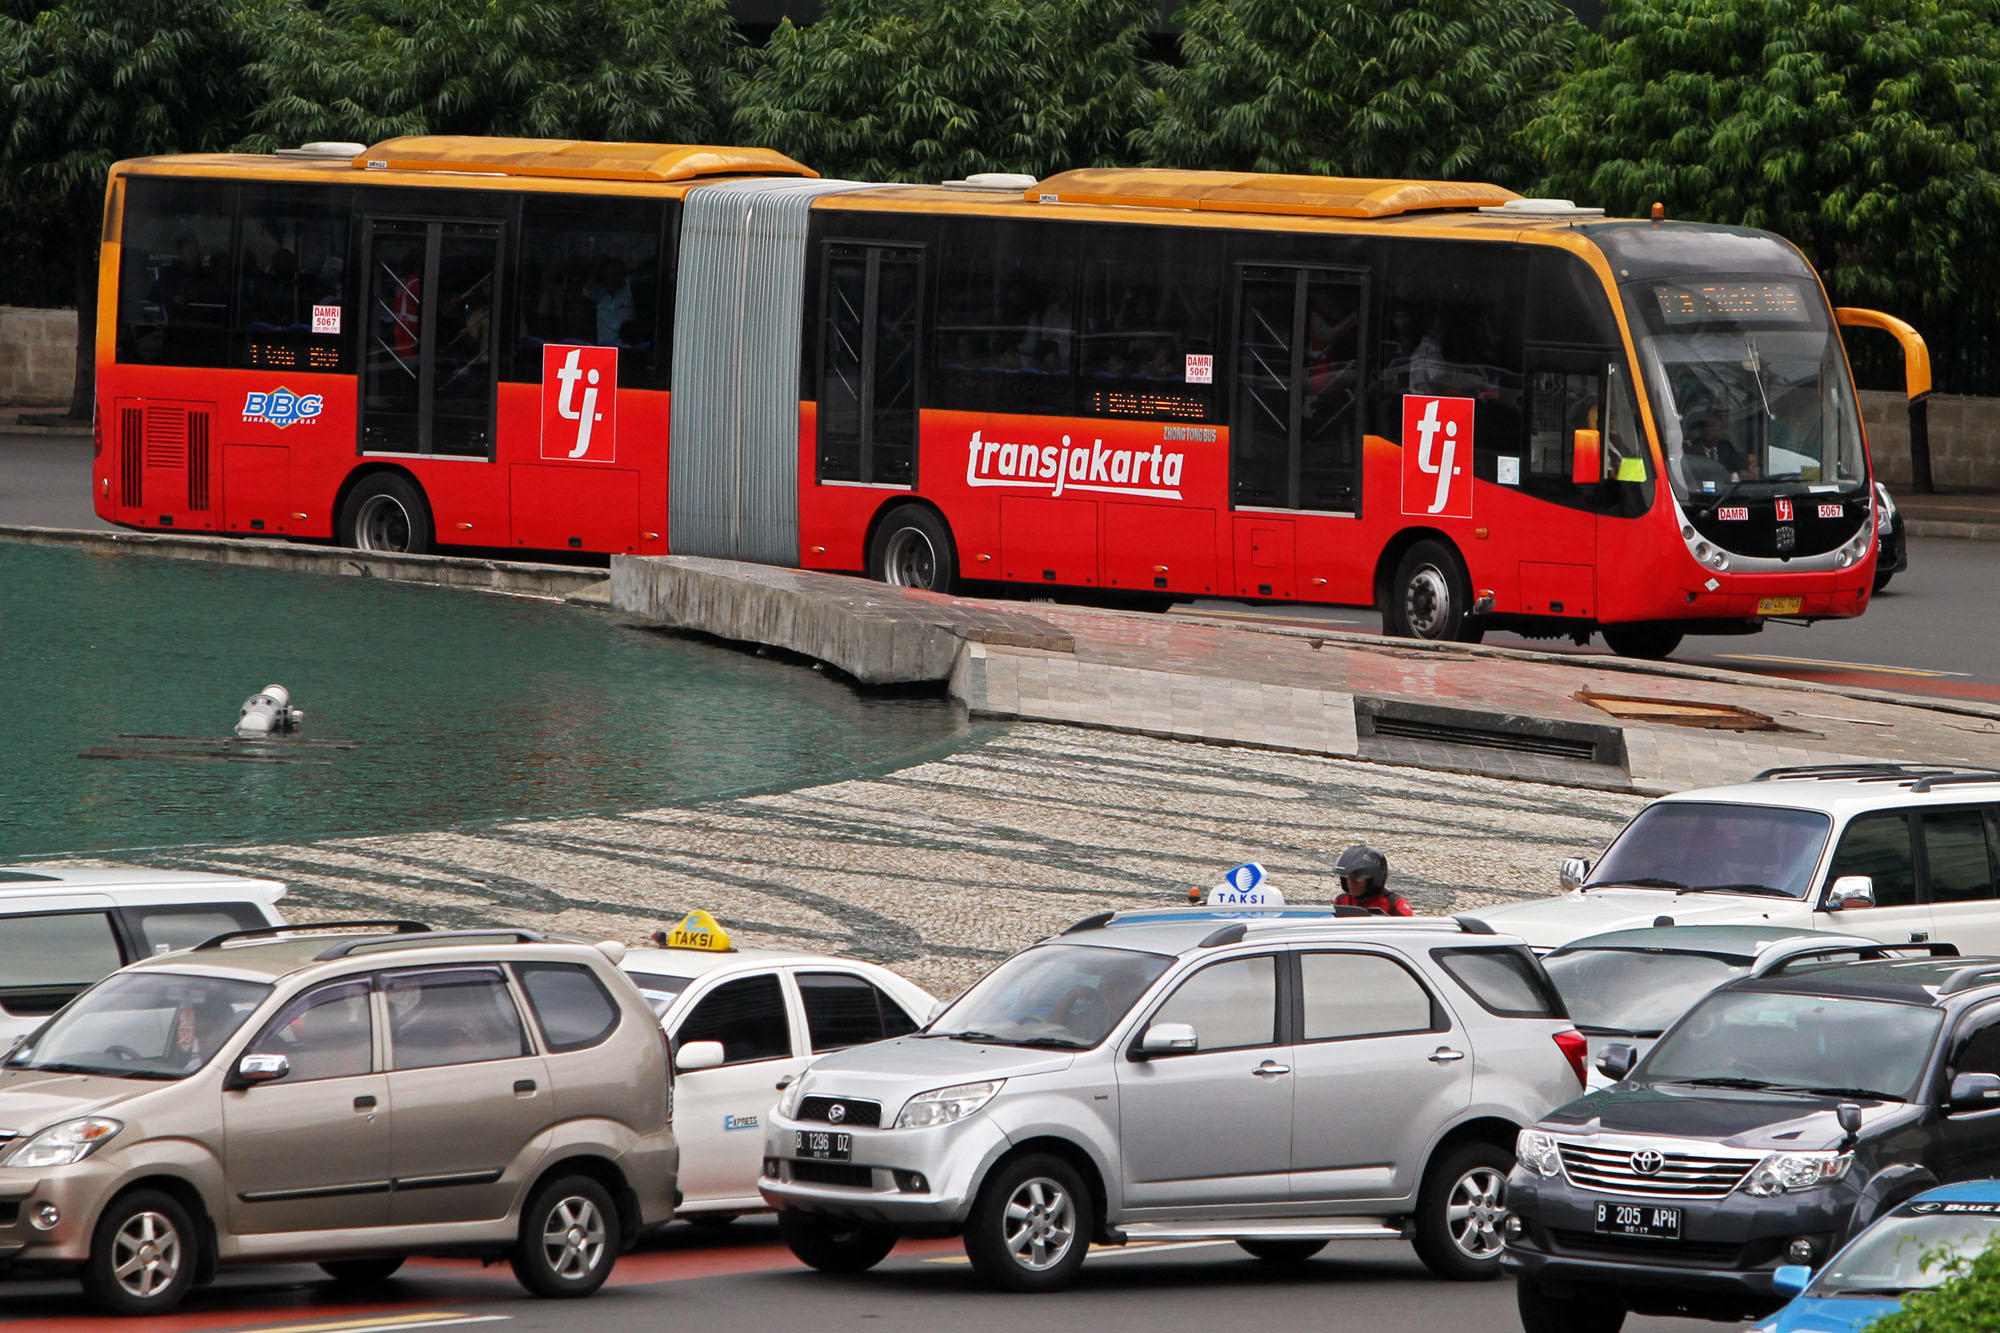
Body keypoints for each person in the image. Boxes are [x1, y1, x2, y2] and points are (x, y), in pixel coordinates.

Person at [1332, 844, 1412, 915]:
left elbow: (1408, 928)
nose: (1351, 883)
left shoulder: (1395, 904)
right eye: (1347, 877)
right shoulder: (1341, 901)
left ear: (1373, 880)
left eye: (1358, 878)